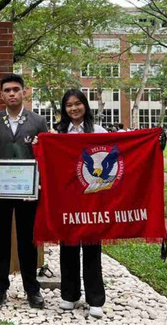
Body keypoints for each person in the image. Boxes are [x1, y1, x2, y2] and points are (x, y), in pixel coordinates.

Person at [0, 74, 47, 309]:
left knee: (27, 240)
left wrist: (38, 182)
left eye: (16, 89)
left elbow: (44, 156)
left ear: (24, 92)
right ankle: (0, 285)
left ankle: (32, 287)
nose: (12, 93)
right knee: (0, 239)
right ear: (1, 95)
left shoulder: (38, 122)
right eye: (7, 90)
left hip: (28, 192)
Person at [51, 88, 107, 318]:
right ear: (64, 110)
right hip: (68, 200)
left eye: (77, 104)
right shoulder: (58, 133)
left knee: (92, 249)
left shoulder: (99, 132)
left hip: (92, 199)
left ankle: (95, 299)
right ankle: (69, 295)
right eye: (68, 105)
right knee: (69, 248)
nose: (74, 109)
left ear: (85, 105)